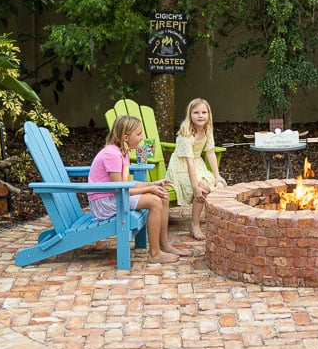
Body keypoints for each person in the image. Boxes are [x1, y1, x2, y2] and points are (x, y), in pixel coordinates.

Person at [89, 115, 185, 264]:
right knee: (154, 201)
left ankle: (164, 244)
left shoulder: (123, 152)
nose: (141, 138)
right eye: (138, 134)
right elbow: (119, 189)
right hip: (104, 203)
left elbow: (126, 182)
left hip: (115, 197)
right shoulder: (112, 154)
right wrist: (150, 190)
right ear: (126, 137)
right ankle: (155, 254)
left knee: (163, 197)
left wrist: (152, 184)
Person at [167, 98, 227, 241]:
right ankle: (194, 224)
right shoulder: (186, 133)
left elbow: (210, 152)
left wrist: (217, 175)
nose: (200, 116)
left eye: (204, 112)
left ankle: (215, 221)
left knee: (220, 184)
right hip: (181, 166)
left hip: (197, 163)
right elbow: (189, 162)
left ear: (209, 115)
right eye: (196, 112)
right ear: (190, 115)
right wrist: (195, 186)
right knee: (202, 186)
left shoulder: (207, 129)